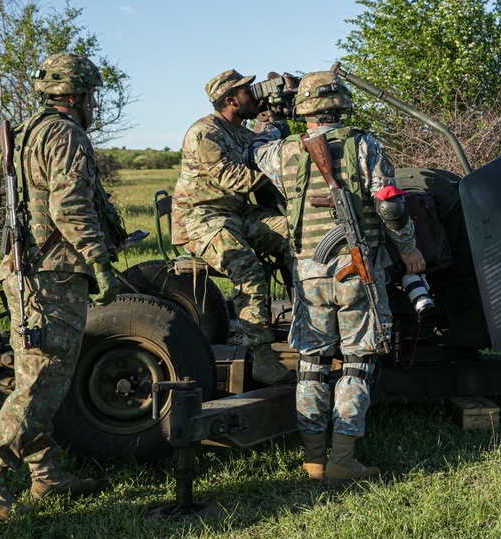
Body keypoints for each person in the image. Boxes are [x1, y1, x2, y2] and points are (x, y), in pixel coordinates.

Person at [0, 53, 122, 519]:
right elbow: (68, 207)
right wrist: (100, 262)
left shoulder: (28, 132)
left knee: (36, 373)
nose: (94, 104)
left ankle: (45, 472)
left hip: (24, 270)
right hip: (52, 273)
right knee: (42, 380)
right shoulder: (66, 133)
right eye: (91, 95)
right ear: (77, 95)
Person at [251, 70, 425, 486]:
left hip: (309, 273)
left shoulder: (281, 152)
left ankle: (313, 461)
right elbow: (390, 207)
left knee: (310, 365)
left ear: (305, 110)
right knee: (357, 363)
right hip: (355, 271)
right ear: (342, 104)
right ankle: (342, 460)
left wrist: (268, 119)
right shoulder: (364, 145)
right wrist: (409, 248)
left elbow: (256, 148)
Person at [172, 69, 293, 385]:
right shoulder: (204, 134)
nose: (254, 95)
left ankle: (307, 324)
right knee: (248, 271)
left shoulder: (242, 132)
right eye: (247, 91)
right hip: (202, 219)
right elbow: (237, 178)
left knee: (298, 233)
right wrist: (279, 149)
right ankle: (264, 361)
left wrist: (281, 122)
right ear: (230, 100)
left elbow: (267, 164)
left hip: (239, 215)